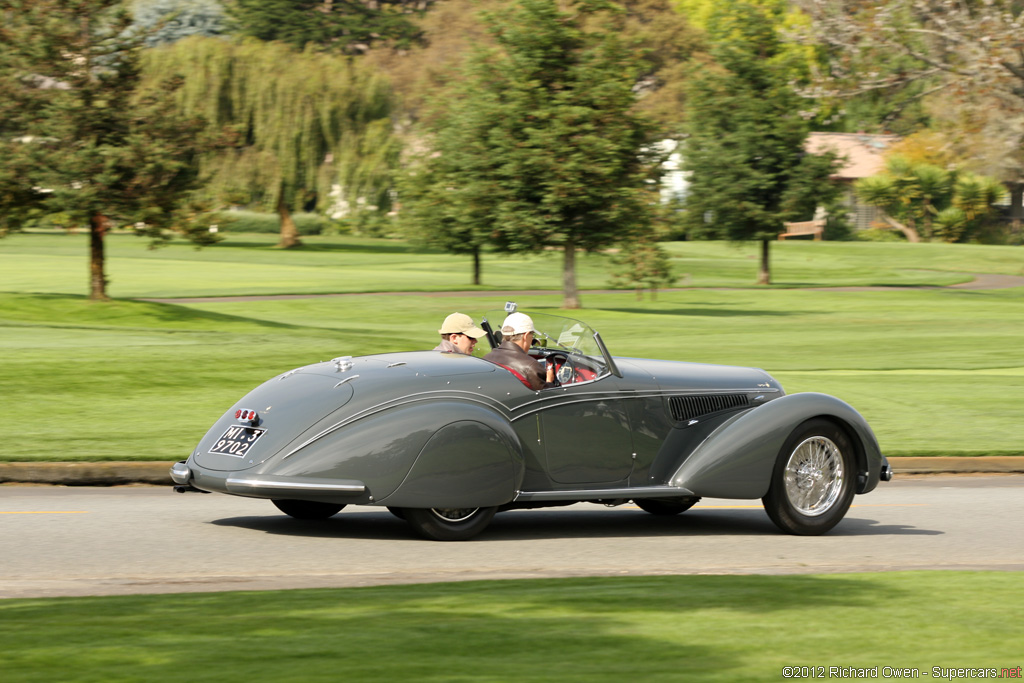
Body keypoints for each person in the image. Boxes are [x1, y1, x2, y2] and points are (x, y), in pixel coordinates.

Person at [483, 312, 557, 390]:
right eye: (532, 336)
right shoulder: (531, 367)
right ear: (526, 336)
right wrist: (549, 382)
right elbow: (547, 396)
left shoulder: (486, 359)